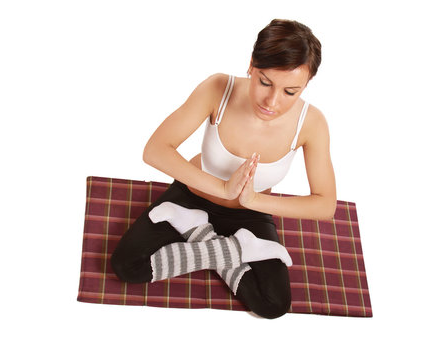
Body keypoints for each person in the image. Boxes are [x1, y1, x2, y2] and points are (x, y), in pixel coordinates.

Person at [110, 19, 337, 319]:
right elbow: (155, 150)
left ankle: (204, 235)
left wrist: (254, 201)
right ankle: (230, 246)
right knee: (126, 266)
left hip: (250, 213)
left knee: (273, 305)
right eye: (265, 82)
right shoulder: (219, 88)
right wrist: (222, 188)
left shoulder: (312, 123)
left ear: (305, 85)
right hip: (191, 196)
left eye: (290, 92)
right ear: (252, 65)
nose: (272, 101)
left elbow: (325, 204)